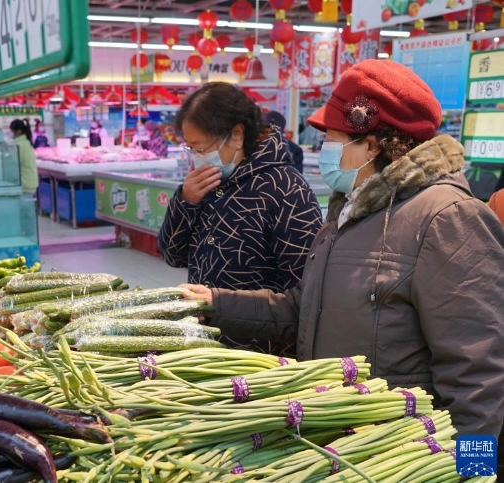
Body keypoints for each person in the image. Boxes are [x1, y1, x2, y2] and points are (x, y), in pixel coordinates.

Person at [180, 61, 504, 458]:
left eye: (331, 139)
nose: (322, 153)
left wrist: (472, 465)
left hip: (400, 452)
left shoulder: (447, 218)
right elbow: (303, 311)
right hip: (340, 443)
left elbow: (479, 368)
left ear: (372, 144)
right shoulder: (350, 214)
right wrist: (213, 303)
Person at [158, 82, 323, 354]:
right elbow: (173, 255)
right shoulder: (209, 183)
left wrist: (222, 305)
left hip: (260, 354)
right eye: (190, 149)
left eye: (200, 148)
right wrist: (185, 202)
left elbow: (304, 296)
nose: (196, 158)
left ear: (236, 135)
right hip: (208, 344)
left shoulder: (286, 189)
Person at [9, 119, 38, 195]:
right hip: (29, 181)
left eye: (12, 131)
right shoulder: (26, 142)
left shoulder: (19, 145)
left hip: (24, 183)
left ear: (18, 131)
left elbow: (13, 163)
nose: (11, 133)